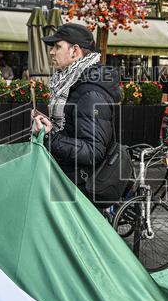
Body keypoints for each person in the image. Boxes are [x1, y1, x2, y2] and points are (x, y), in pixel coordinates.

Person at [31, 24, 120, 189]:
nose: (51, 52)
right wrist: (48, 127)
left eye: (57, 46)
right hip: (66, 178)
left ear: (75, 50)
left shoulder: (90, 92)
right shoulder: (71, 83)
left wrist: (51, 137)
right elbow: (72, 129)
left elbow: (93, 151)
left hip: (78, 187)